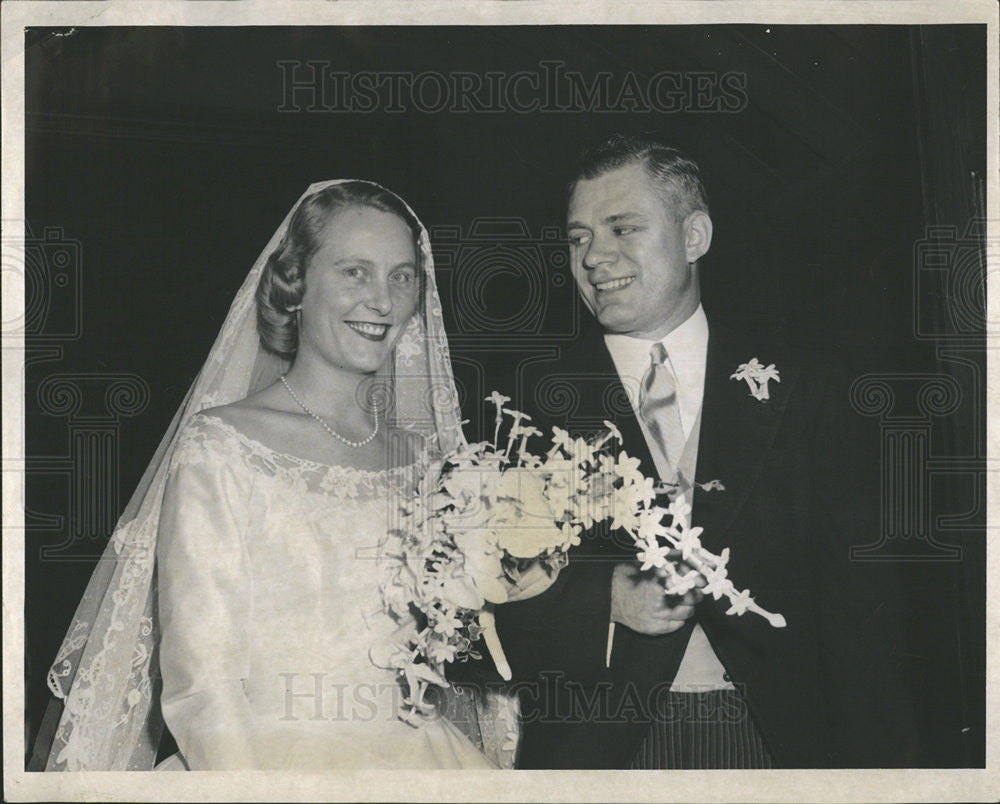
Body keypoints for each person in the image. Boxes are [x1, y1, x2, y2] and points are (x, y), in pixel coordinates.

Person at [36, 180, 513, 770]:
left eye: (401, 276)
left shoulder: (429, 463)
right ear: (295, 287)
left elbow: (453, 653)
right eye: (354, 273)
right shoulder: (224, 448)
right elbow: (202, 684)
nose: (384, 301)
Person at [486, 134, 916, 769]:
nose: (594, 257)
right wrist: (601, 597)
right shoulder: (524, 405)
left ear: (694, 237)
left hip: (776, 741)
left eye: (622, 227)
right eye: (578, 238)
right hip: (602, 747)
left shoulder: (808, 386)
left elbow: (864, 613)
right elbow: (479, 595)